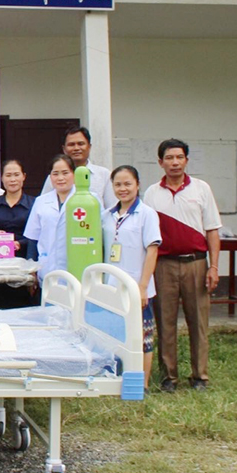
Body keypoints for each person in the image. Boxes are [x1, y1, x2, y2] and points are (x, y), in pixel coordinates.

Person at [143, 139, 221, 392]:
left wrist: (213, 267)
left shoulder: (201, 189)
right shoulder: (152, 193)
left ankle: (200, 376)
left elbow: (212, 230)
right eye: (169, 158)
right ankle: (169, 377)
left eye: (179, 157)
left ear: (186, 160)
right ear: (160, 162)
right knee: (164, 322)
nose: (174, 162)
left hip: (195, 264)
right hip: (164, 265)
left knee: (198, 321)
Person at [102, 165, 161, 390]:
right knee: (116, 335)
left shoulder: (147, 214)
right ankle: (117, 379)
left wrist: (143, 286)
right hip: (112, 286)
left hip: (137, 285)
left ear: (137, 185)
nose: (123, 189)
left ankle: (142, 383)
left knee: (142, 336)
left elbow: (152, 250)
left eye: (128, 184)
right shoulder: (107, 215)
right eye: (118, 184)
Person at [24, 154, 103, 282]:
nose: (60, 178)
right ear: (50, 177)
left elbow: (101, 233)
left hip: (81, 267)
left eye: (65, 173)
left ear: (74, 174)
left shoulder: (91, 199)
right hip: (48, 270)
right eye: (55, 174)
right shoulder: (41, 201)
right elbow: (33, 238)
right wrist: (31, 270)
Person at [0, 159, 36, 308]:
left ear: (24, 176)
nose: (12, 179)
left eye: (16, 175)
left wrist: (18, 243)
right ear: (2, 178)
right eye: (8, 175)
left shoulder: (34, 204)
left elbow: (36, 236)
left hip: (22, 264)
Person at [41, 126, 117, 208]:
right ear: (64, 149)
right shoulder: (55, 176)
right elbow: (43, 205)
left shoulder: (104, 175)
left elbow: (112, 208)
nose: (76, 148)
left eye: (81, 144)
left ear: (89, 147)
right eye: (71, 144)